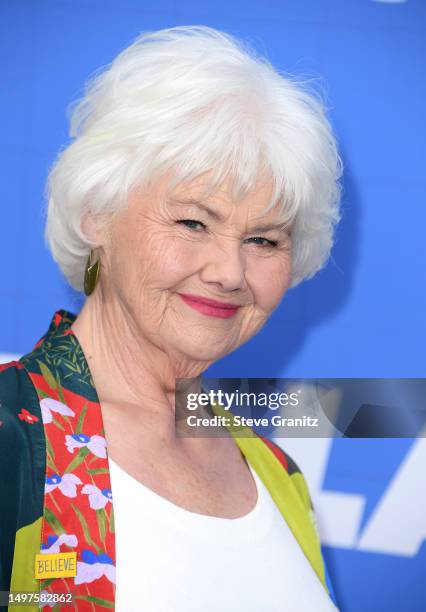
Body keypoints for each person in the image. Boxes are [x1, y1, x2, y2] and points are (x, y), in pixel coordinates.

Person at [0, 26, 341, 611]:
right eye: (192, 223)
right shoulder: (12, 437)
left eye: (263, 240)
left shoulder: (276, 473)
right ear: (96, 213)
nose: (229, 271)